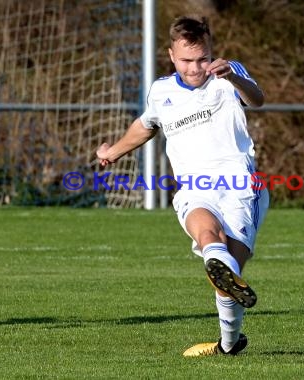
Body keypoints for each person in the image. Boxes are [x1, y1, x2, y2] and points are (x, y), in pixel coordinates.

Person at [95, 15, 268, 356]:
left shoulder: (228, 74)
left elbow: (257, 98)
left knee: (228, 274)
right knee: (208, 238)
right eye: (187, 60)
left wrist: (233, 76)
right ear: (172, 56)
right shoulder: (161, 90)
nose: (195, 68)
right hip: (195, 186)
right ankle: (218, 265)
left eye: (202, 58)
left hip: (239, 183)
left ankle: (230, 343)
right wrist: (112, 152)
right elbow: (146, 125)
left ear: (211, 52)